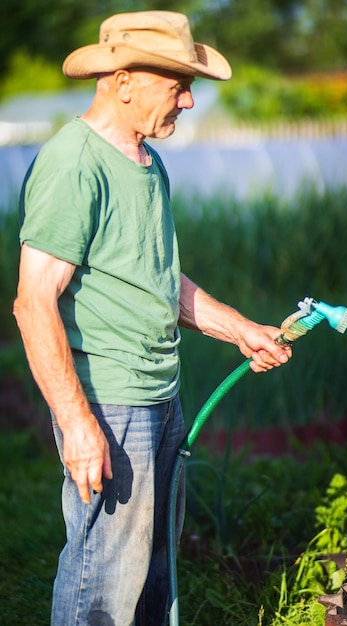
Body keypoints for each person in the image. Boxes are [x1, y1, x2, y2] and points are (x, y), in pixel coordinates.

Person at [13, 10, 292, 626]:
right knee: (102, 587)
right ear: (122, 81)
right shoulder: (73, 163)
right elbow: (33, 302)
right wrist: (77, 423)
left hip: (160, 399)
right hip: (109, 405)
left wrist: (241, 329)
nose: (190, 101)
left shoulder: (146, 163)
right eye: (177, 85)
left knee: (151, 580)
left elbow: (158, 280)